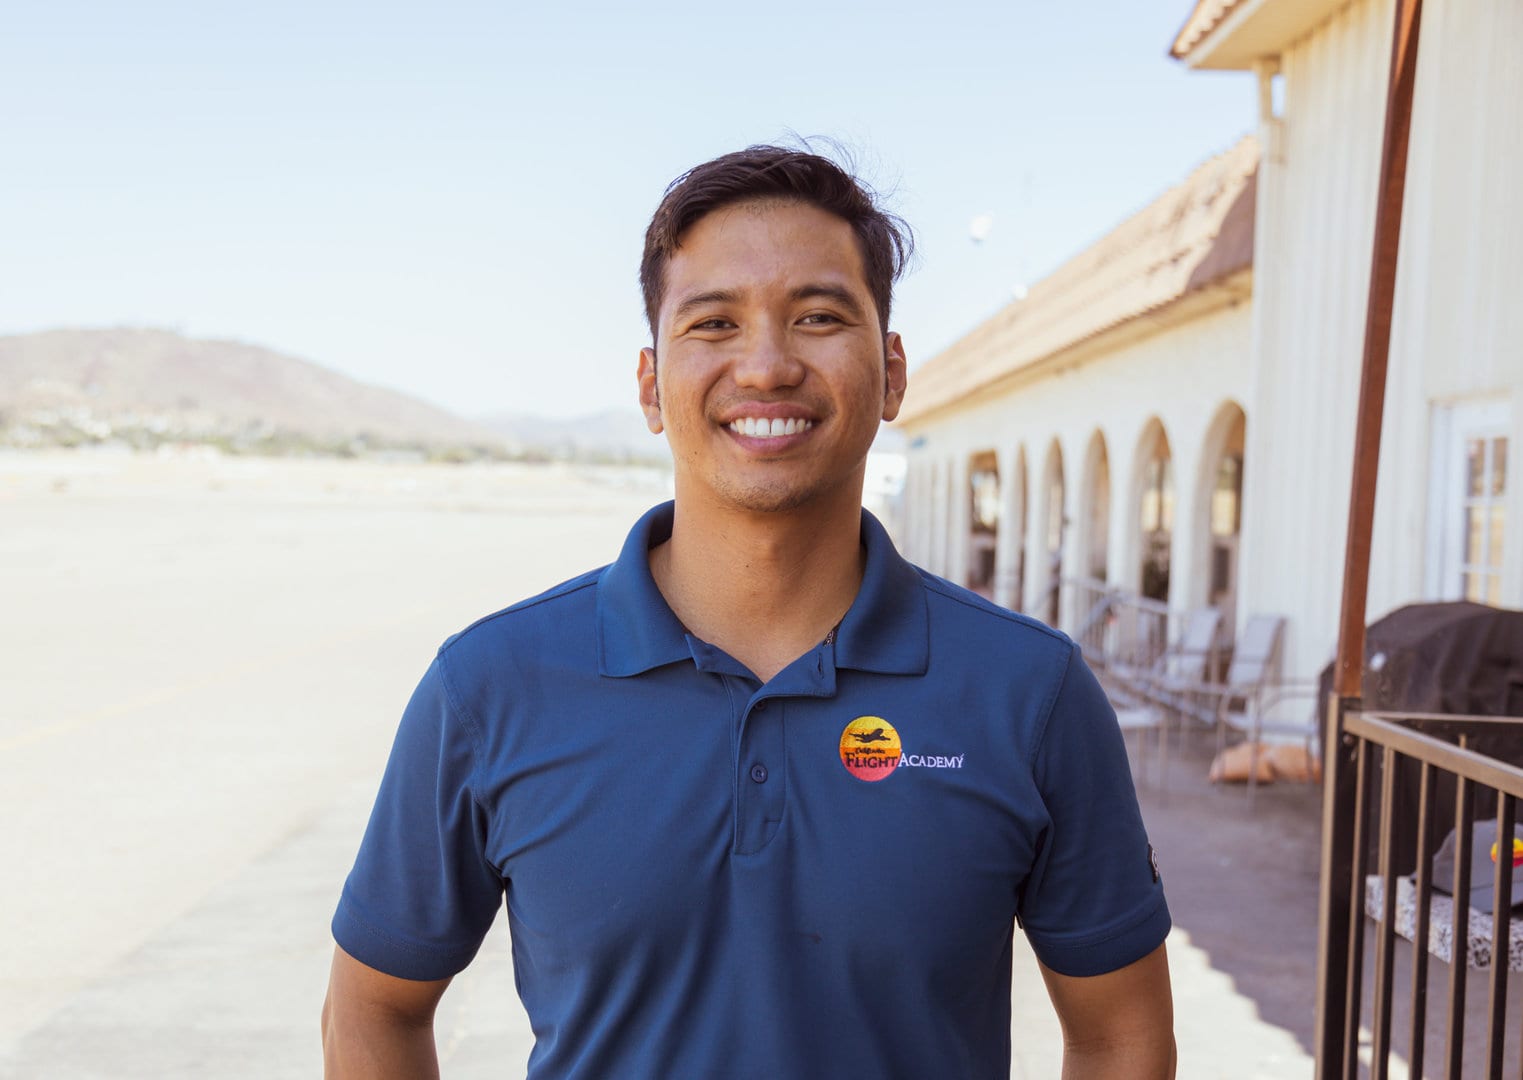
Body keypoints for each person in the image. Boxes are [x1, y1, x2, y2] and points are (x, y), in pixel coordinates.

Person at [322, 145, 1175, 1079]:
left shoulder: (1030, 693)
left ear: (891, 373)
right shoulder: (489, 687)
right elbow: (375, 1010)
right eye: (713, 324)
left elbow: (1117, 1036)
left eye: (817, 317)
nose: (765, 366)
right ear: (651, 385)